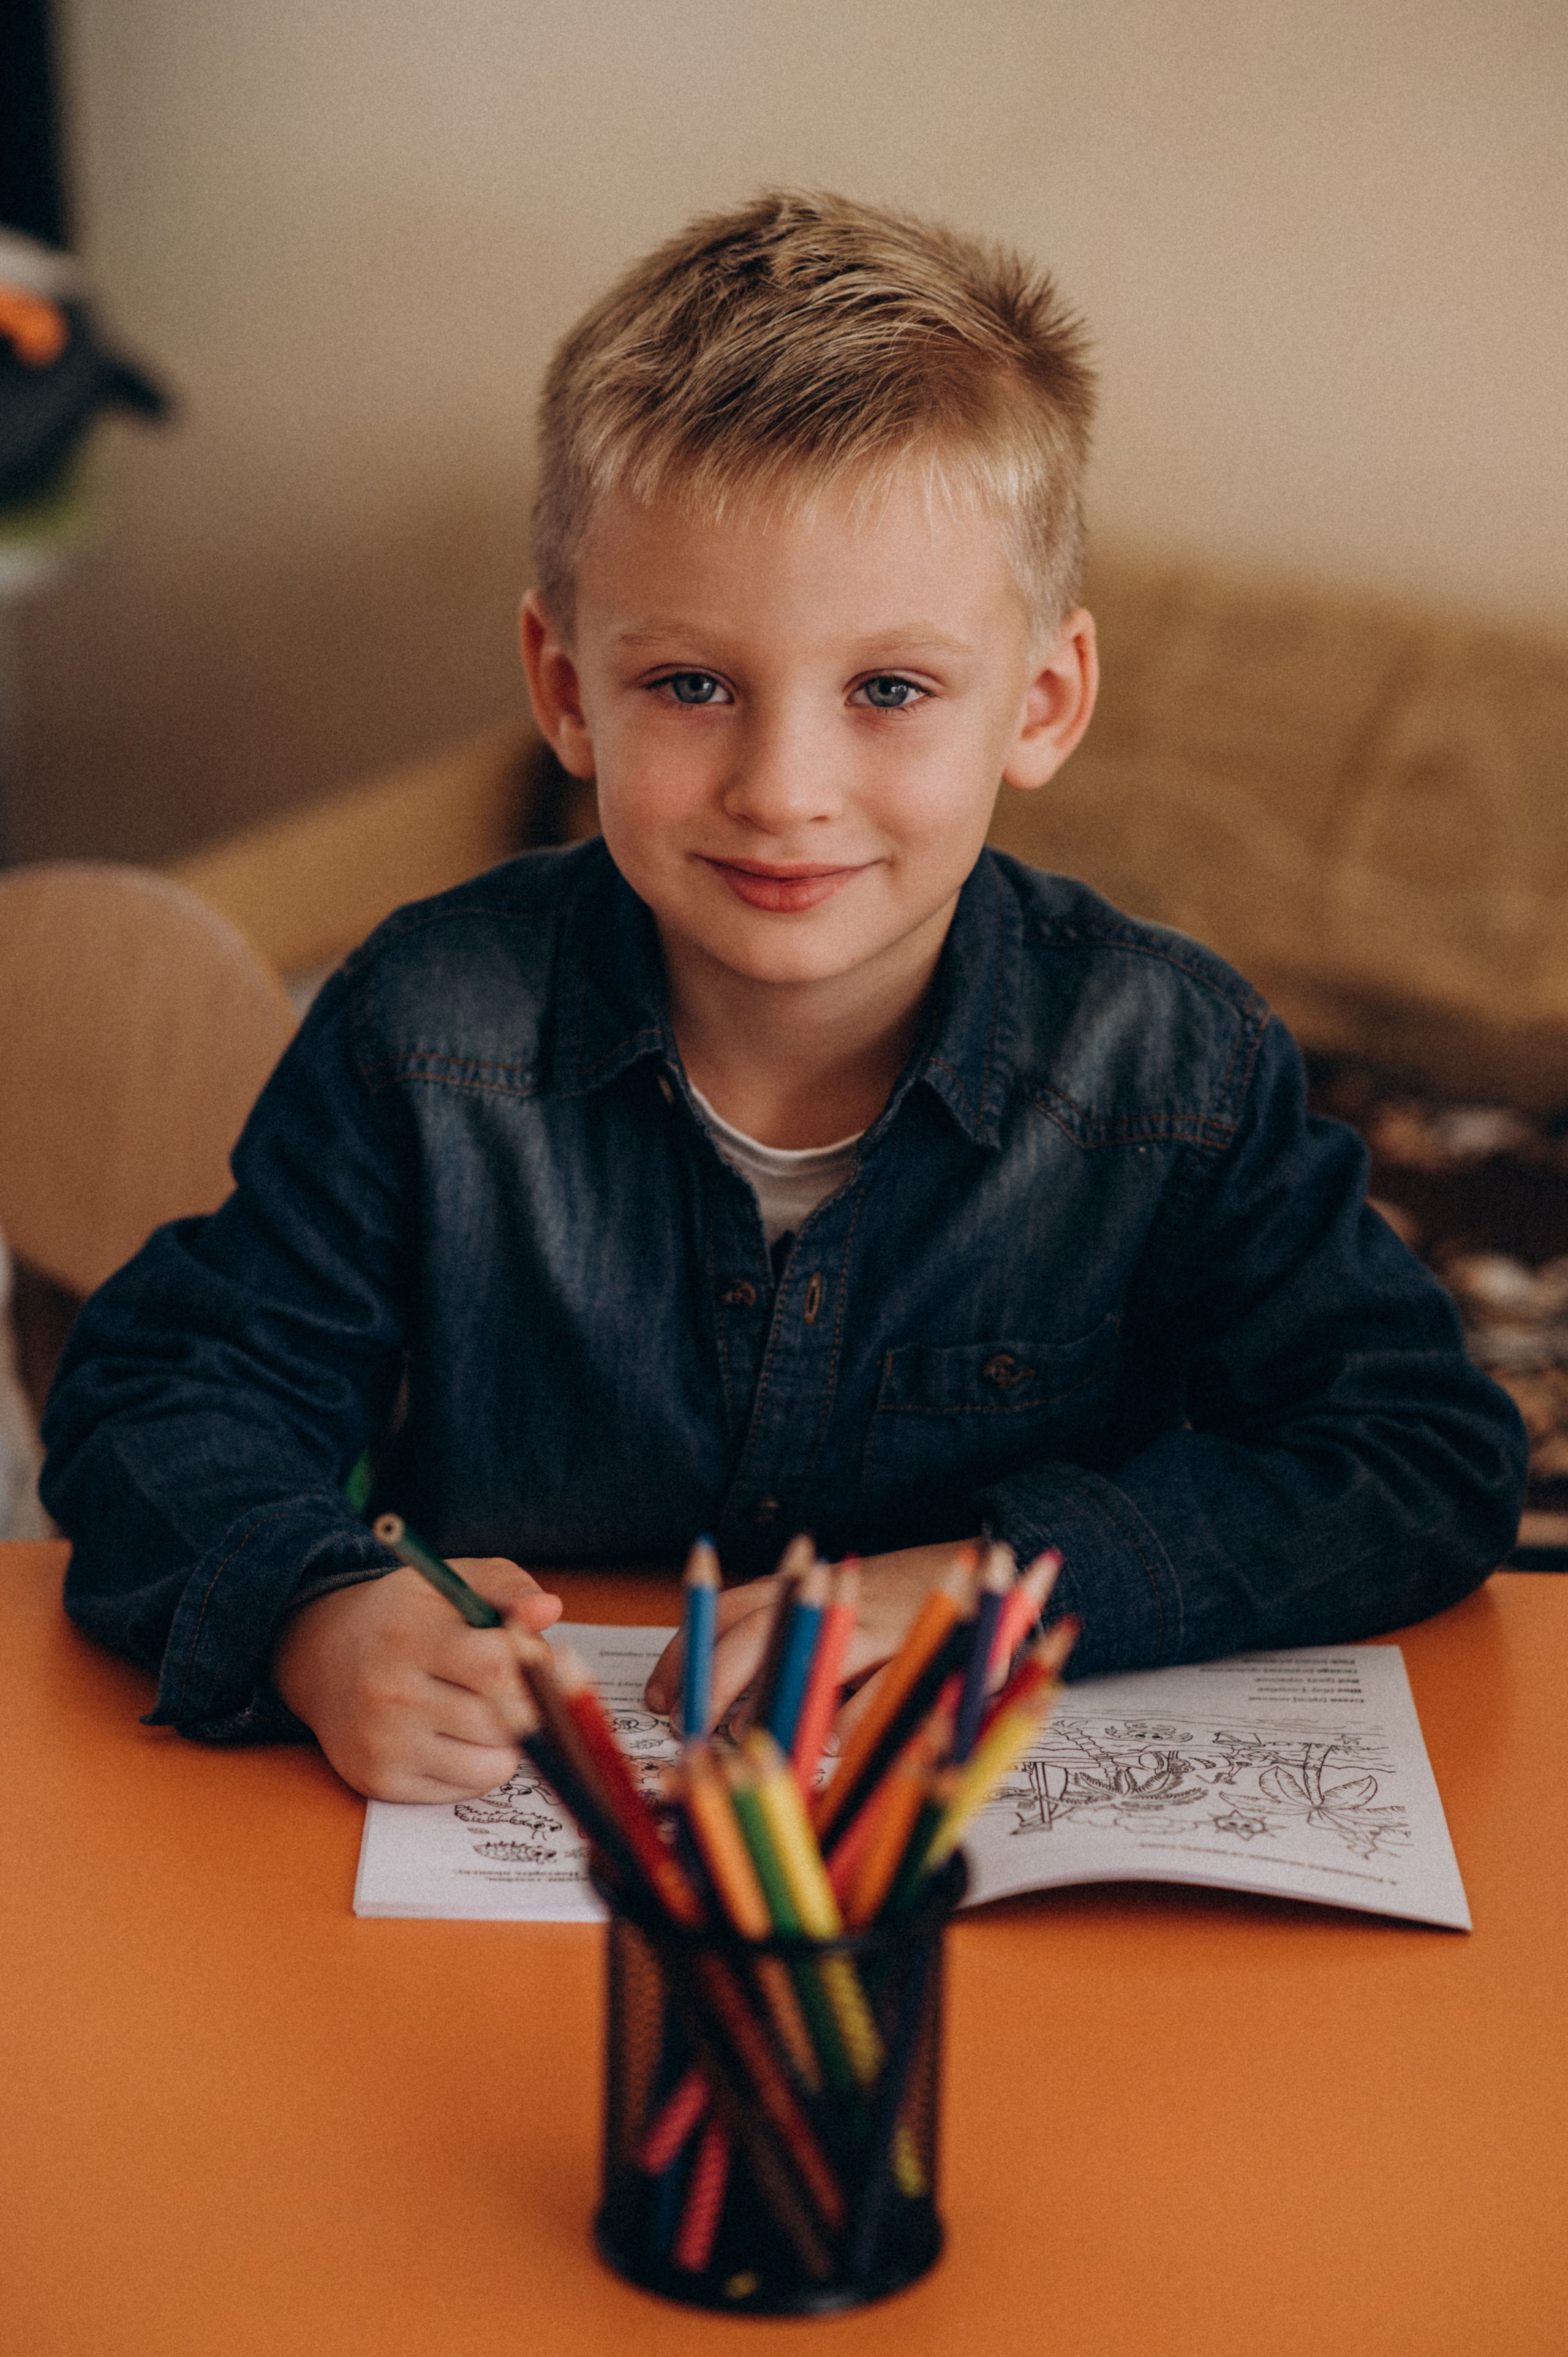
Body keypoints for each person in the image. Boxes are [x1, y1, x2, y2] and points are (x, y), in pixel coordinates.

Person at [41, 191, 1526, 1804]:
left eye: (890, 690)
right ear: (565, 689)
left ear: (1041, 704)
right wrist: (316, 1620)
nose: (784, 789)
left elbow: (1416, 1455)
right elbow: (160, 1399)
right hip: (513, 1869)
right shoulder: (423, 1021)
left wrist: (993, 1583)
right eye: (692, 686)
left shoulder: (1175, 1062)